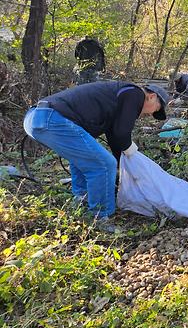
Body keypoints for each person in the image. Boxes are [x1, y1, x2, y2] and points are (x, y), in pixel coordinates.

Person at [23, 81, 170, 231]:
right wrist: (130, 151)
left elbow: (114, 135)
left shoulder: (120, 95)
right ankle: (99, 219)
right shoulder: (135, 94)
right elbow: (121, 133)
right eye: (156, 109)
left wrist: (124, 163)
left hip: (36, 117)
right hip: (51, 118)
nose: (150, 114)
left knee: (85, 159)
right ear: (151, 97)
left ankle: (82, 200)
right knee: (104, 164)